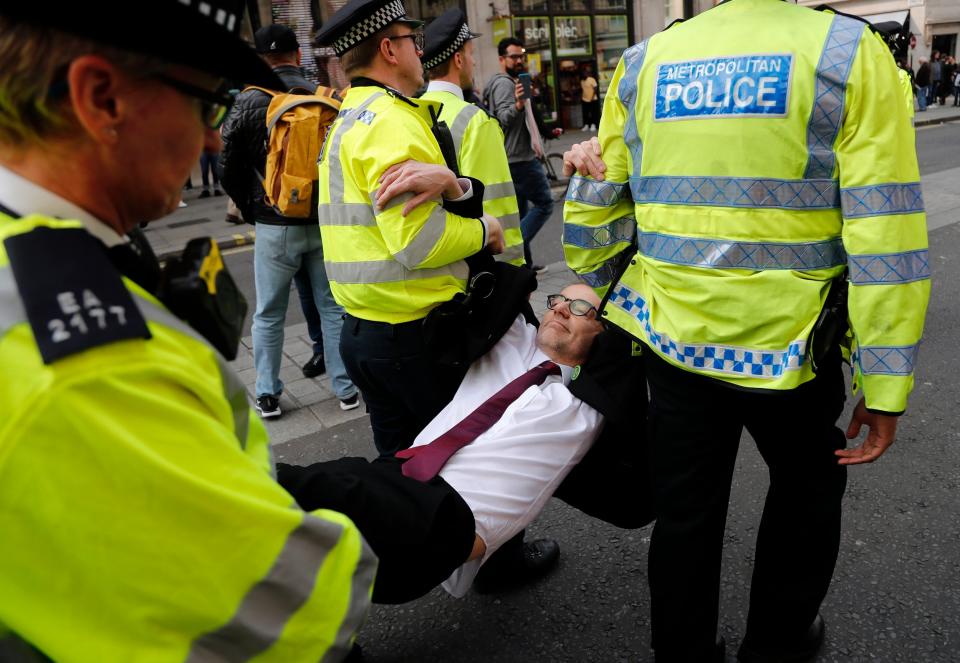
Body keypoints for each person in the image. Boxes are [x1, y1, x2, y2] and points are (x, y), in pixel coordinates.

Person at [0, 2, 375, 661]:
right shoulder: (82, 364)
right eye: (205, 106)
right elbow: (283, 605)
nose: (211, 139)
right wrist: (416, 529)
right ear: (102, 98)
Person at [562, 3, 929, 661]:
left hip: (674, 347)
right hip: (792, 350)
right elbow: (885, 235)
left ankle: (683, 652)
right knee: (804, 498)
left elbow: (600, 236)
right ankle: (777, 645)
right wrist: (885, 379)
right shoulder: (847, 53)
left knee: (686, 515)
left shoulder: (644, 62)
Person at [278, 283, 605, 604]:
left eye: (578, 308)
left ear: (602, 332)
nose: (561, 308)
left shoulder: (590, 406)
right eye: (557, 300)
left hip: (453, 517)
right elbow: (501, 282)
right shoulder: (512, 341)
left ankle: (236, 475)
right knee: (302, 553)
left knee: (319, 487)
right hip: (404, 475)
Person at [314, 0, 505, 457]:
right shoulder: (392, 124)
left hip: (363, 333)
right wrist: (487, 230)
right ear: (389, 49)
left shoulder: (348, 117)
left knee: (401, 468)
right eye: (413, 42)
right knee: (463, 463)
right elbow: (420, 242)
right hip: (415, 338)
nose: (422, 52)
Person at [220, 23, 358, 417]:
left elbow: (226, 165)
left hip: (275, 224)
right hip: (322, 224)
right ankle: (345, 389)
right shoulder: (325, 97)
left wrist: (254, 208)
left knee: (269, 313)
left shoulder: (249, 101)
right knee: (332, 309)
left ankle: (267, 394)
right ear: (299, 55)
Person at [419, 8, 524, 266]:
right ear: (458, 59)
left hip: (437, 257)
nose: (473, 62)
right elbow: (497, 204)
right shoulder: (475, 121)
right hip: (480, 266)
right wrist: (515, 272)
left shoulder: (411, 113)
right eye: (470, 54)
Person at [485, 37, 556, 272]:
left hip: (512, 158)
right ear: (501, 59)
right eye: (513, 56)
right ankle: (512, 247)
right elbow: (503, 119)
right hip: (520, 159)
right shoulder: (504, 84)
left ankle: (523, 264)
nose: (518, 60)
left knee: (520, 214)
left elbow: (529, 116)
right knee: (545, 204)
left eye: (520, 56)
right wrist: (517, 104)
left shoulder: (512, 82)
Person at [580, 66, 600, 132]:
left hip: (593, 99)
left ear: (587, 74)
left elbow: (595, 88)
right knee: (586, 113)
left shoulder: (591, 79)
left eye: (585, 73)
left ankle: (593, 125)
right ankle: (586, 125)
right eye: (583, 74)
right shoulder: (582, 81)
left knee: (593, 113)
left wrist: (591, 97)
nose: (584, 74)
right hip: (585, 99)